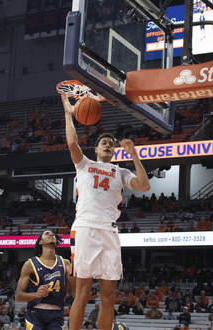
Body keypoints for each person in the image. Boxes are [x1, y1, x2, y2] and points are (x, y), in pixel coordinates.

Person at [62, 94, 150, 330]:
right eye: (104, 143)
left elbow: (144, 186)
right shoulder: (85, 164)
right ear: (96, 148)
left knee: (109, 296)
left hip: (109, 231)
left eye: (112, 144)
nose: (109, 145)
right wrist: (69, 115)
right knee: (82, 293)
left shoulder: (121, 172)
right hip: (86, 228)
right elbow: (72, 143)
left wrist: (134, 155)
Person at [15, 230, 71, 330]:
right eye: (47, 234)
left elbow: (74, 292)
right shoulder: (30, 265)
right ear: (40, 242)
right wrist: (36, 294)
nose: (51, 235)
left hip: (56, 314)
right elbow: (18, 296)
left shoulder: (65, 263)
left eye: (53, 234)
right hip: (35, 314)